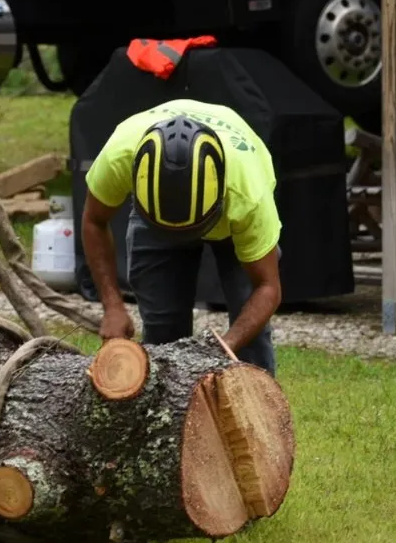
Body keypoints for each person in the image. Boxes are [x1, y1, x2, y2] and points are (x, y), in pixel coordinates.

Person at [80, 98, 282, 376]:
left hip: (233, 212)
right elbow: (94, 220)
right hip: (156, 214)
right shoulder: (120, 155)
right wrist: (113, 306)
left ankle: (259, 409)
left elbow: (267, 287)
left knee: (250, 333)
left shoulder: (247, 193)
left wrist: (226, 346)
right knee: (163, 334)